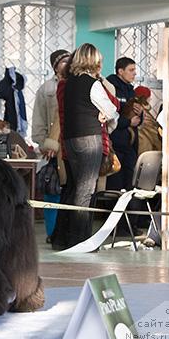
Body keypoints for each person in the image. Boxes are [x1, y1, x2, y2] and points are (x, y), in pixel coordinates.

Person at [51, 43, 119, 250]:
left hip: (70, 140)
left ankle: (63, 238)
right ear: (95, 61)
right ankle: (81, 240)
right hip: (89, 139)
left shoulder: (67, 84)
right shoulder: (93, 83)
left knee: (73, 188)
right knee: (86, 190)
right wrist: (104, 116)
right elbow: (112, 110)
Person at [31, 49, 70, 242]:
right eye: (63, 61)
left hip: (73, 147)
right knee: (52, 190)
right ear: (55, 66)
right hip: (53, 150)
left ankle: (69, 231)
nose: (67, 63)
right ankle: (52, 232)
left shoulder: (78, 85)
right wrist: (44, 143)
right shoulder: (46, 89)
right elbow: (38, 119)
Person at [106, 57, 142, 191]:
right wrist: (127, 122)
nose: (134, 73)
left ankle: (129, 211)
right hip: (115, 144)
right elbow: (110, 115)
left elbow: (136, 118)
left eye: (135, 70)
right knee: (114, 185)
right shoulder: (110, 87)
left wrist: (140, 113)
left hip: (129, 145)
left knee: (131, 184)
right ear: (120, 71)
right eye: (131, 70)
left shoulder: (131, 90)